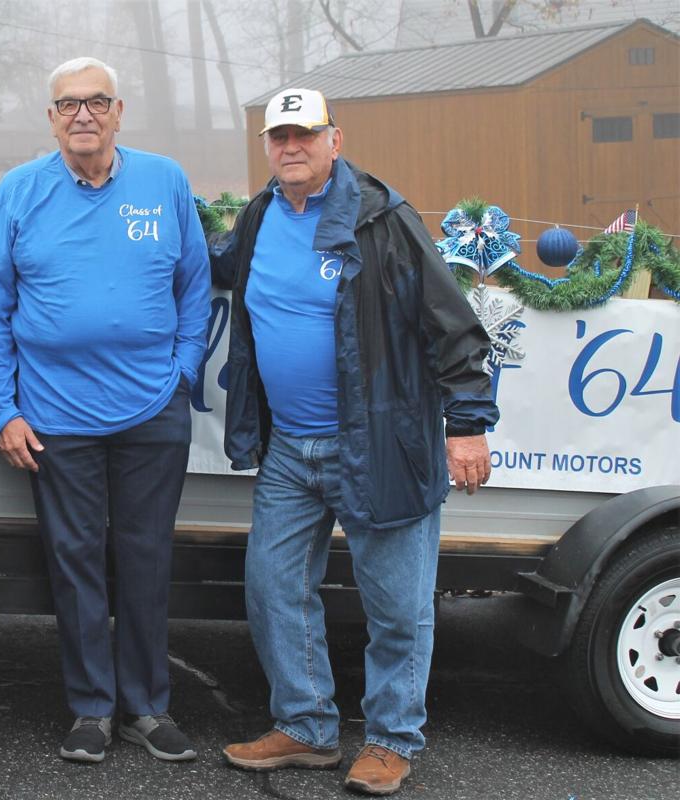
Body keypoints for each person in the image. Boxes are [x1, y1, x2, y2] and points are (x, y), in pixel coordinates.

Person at [212, 88, 499, 795]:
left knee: (396, 604)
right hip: (289, 450)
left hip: (379, 444)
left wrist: (467, 426)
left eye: (304, 135)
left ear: (334, 140)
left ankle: (392, 740)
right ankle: (306, 730)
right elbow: (213, 270)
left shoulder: (382, 220)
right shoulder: (257, 217)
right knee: (274, 588)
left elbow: (453, 327)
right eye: (278, 137)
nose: (291, 148)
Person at [0, 57, 210, 764]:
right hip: (55, 417)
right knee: (74, 562)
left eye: (97, 101)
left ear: (118, 110)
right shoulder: (18, 192)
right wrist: (1, 410)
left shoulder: (164, 181)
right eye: (68, 104)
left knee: (146, 558)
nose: (83, 114)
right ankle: (90, 710)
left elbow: (195, 284)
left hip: (151, 411)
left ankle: (146, 707)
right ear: (51, 117)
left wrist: (185, 371)